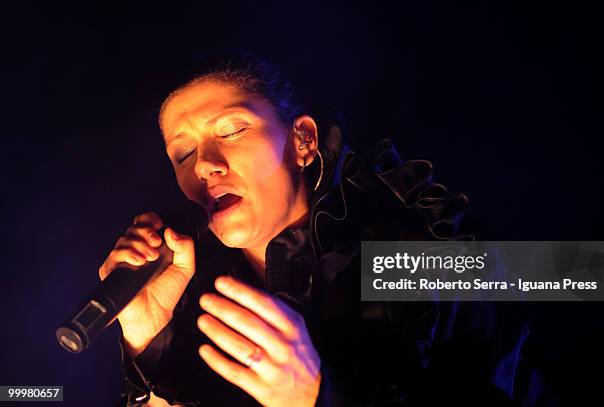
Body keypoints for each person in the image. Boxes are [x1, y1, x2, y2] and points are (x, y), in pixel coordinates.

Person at [99, 51, 541, 406]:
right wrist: (147, 340)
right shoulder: (194, 293)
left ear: (303, 140)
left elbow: (584, 273)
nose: (205, 165)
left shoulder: (405, 250)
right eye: (182, 154)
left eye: (231, 130)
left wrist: (316, 397)